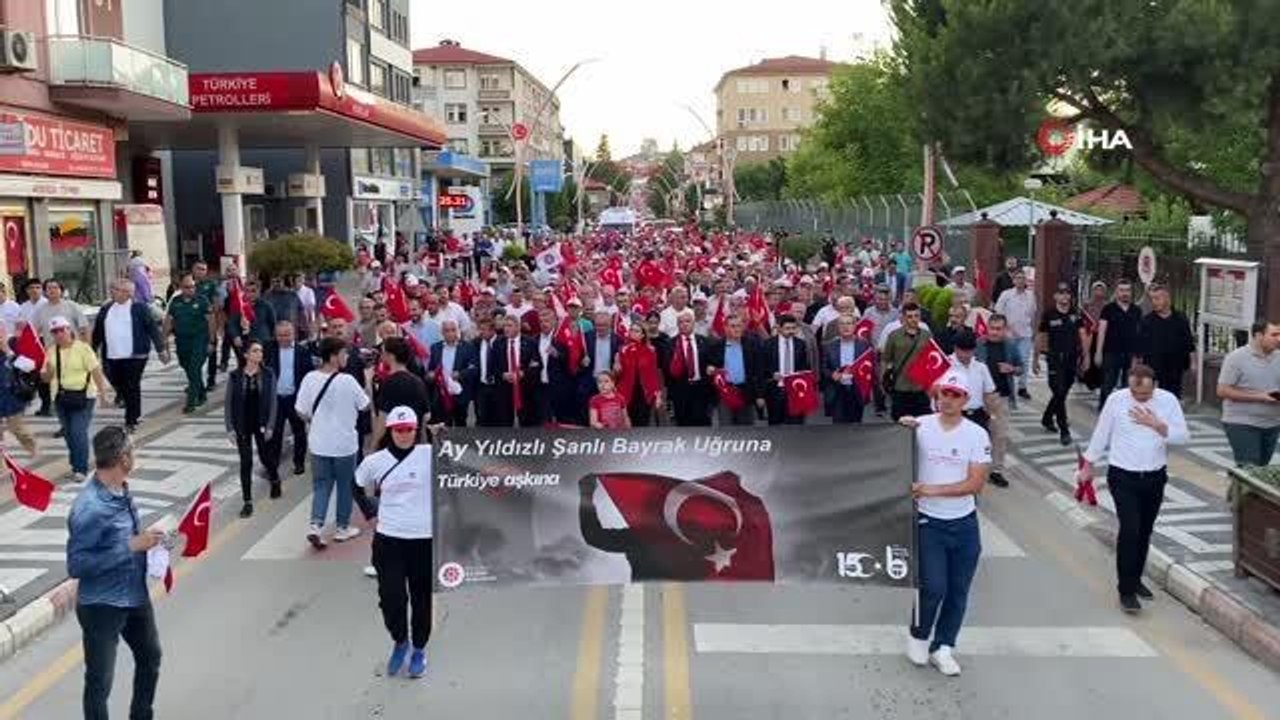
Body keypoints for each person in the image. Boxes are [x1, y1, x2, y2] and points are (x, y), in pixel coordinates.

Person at [67, 426, 163, 720]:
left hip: (134, 595)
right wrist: (131, 545)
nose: (134, 456)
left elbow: (128, 538)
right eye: (132, 451)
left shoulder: (122, 489)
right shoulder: (88, 507)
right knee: (99, 683)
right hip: (102, 605)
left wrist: (151, 541)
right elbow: (77, 565)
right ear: (122, 458)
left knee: (150, 657)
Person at [897, 372, 989, 676]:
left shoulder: (977, 434)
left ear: (965, 400)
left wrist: (932, 489)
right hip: (928, 521)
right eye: (943, 393)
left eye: (955, 394)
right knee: (933, 587)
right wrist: (900, 431)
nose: (947, 399)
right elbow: (894, 451)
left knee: (958, 590)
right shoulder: (920, 426)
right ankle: (918, 634)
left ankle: (944, 646)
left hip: (964, 523)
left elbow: (976, 483)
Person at [1080, 364, 1189, 614]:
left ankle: (1136, 579)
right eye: (1134, 392)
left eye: (1144, 395)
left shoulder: (1168, 401)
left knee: (1144, 531)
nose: (1138, 398)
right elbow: (1101, 434)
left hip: (1154, 476)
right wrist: (1088, 465)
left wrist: (1157, 425)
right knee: (1130, 530)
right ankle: (1126, 590)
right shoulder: (1117, 400)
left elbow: (1183, 437)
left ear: (1155, 386)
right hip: (1122, 476)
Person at [358, 406, 434, 679]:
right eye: (399, 430)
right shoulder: (375, 461)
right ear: (390, 431)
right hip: (389, 539)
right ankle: (400, 640)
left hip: (423, 540)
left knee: (421, 598)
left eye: (410, 430)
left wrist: (442, 438)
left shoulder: (430, 455)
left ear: (417, 430)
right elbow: (356, 483)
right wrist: (370, 513)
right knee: (392, 597)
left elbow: (465, 463)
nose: (405, 435)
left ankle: (419, 650)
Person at [296, 336, 370, 549]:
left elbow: (300, 410)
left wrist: (315, 420)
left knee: (321, 485)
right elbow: (365, 405)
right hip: (345, 444)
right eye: (344, 353)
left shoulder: (310, 378)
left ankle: (315, 525)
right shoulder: (347, 380)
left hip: (319, 442)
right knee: (345, 485)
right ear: (334, 356)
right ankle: (342, 528)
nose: (346, 357)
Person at [93, 279, 169, 433]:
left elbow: (152, 329)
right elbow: (98, 331)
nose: (112, 291)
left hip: (136, 355)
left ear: (127, 293)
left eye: (116, 289)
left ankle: (131, 419)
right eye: (112, 288)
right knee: (116, 381)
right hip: (111, 355)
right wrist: (92, 349)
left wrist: (161, 349)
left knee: (132, 385)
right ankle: (127, 401)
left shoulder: (139, 308)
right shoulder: (106, 308)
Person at [43, 316, 112, 482]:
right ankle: (75, 466)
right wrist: (49, 372)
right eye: (55, 332)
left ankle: (81, 468)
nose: (59, 334)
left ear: (69, 330)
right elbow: (45, 378)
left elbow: (96, 371)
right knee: (68, 433)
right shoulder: (51, 351)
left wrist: (103, 395)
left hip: (84, 397)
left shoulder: (83, 348)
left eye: (62, 330)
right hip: (61, 398)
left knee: (77, 432)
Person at [225, 340, 278, 517]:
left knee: (265, 456)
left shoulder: (268, 374)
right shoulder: (235, 376)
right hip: (242, 424)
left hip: (262, 423)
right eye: (255, 351)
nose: (259, 354)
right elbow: (228, 403)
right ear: (246, 354)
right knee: (245, 462)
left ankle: (275, 479)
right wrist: (230, 427)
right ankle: (247, 501)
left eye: (260, 351)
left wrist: (270, 425)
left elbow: (273, 402)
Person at [1216, 320, 1280, 467]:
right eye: (1274, 334)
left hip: (1272, 423)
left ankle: (1236, 489)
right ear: (1258, 335)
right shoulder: (1236, 358)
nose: (1279, 339)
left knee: (1261, 471)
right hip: (1242, 422)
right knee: (1249, 467)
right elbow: (1222, 390)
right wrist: (1260, 397)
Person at [1036, 283, 1089, 446]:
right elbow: (1041, 336)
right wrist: (1035, 359)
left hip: (1071, 359)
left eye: (1067, 293)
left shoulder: (1076, 314)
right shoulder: (1049, 314)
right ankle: (1064, 429)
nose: (1064, 296)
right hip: (1054, 359)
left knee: (1062, 392)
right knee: (1058, 392)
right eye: (1061, 293)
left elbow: (1083, 335)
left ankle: (1047, 417)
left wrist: (1086, 357)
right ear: (1056, 296)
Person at [976, 314, 1021, 487]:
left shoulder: (1010, 345)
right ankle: (975, 467)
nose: (994, 332)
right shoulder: (979, 344)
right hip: (979, 397)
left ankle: (996, 470)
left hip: (1000, 396)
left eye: (998, 329)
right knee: (979, 434)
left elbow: (1020, 368)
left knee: (1000, 435)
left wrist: (1011, 368)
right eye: (992, 328)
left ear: (1004, 329)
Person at [265, 321, 314, 477]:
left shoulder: (302, 351)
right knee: (275, 432)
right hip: (277, 399)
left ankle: (298, 462)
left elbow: (309, 376)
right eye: (280, 335)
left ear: (293, 334)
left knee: (299, 431)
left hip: (295, 398)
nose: (283, 338)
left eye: (287, 335)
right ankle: (273, 462)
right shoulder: (269, 350)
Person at [164, 273, 215, 413]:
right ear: (181, 288)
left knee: (194, 368)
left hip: (199, 339)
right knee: (186, 366)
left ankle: (191, 402)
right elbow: (168, 321)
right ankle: (202, 393)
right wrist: (164, 340)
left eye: (192, 287)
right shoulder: (175, 302)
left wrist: (212, 341)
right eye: (187, 287)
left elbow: (211, 321)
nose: (190, 290)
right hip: (181, 340)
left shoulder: (202, 300)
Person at [1137, 284, 1194, 399]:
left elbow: (1189, 342)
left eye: (1157, 298)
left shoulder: (1180, 318)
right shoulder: (1147, 321)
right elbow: (1139, 346)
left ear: (1167, 298)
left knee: (1172, 398)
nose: (1154, 302)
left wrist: (1193, 362)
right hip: (1153, 369)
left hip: (1175, 368)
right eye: (1152, 298)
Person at [372, 337, 432, 446]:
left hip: (392, 444)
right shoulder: (418, 382)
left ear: (391, 356)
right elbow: (426, 417)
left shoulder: (387, 383)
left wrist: (374, 444)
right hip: (414, 440)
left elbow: (382, 419)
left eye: (383, 352)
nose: (381, 356)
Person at [882, 303, 934, 420]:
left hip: (921, 389)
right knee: (900, 425)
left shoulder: (927, 336)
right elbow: (885, 360)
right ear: (904, 318)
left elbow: (932, 361)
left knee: (923, 424)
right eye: (910, 316)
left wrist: (931, 385)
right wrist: (883, 382)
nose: (914, 319)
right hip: (900, 388)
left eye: (916, 316)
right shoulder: (894, 336)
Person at [1095, 279, 1142, 409]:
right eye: (1121, 290)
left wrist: (1138, 355)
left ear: (1131, 292)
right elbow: (1102, 331)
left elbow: (1139, 334)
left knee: (1128, 384)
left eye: (1127, 290)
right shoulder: (1108, 309)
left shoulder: (1136, 310)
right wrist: (1098, 352)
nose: (1124, 293)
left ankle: (1124, 410)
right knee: (1108, 383)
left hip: (1130, 353)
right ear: (1116, 292)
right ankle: (1103, 407)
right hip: (1111, 352)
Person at [664, 310, 713, 426]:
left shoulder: (704, 341)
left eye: (688, 321)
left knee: (703, 425)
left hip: (701, 390)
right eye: (681, 322)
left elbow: (711, 362)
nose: (684, 324)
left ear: (693, 323)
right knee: (683, 426)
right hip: (681, 392)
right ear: (677, 325)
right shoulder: (670, 344)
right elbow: (667, 370)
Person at [707, 315, 759, 426]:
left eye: (739, 326)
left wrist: (759, 395)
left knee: (747, 430)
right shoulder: (716, 346)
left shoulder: (752, 344)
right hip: (725, 393)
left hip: (746, 392)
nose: (736, 329)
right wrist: (710, 369)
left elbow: (758, 371)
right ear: (725, 328)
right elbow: (709, 366)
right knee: (727, 429)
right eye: (733, 326)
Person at [993, 269, 1036, 400]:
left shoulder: (1031, 295)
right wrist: (1007, 328)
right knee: (1008, 361)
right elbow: (998, 312)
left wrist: (1032, 330)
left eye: (1022, 278)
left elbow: (1032, 314)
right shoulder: (1006, 295)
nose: (1020, 280)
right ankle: (1007, 386)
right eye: (1017, 278)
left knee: (1023, 360)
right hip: (1008, 334)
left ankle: (1022, 387)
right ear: (1013, 280)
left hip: (1025, 334)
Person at [489, 314, 538, 427]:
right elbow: (492, 366)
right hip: (504, 388)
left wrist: (523, 373)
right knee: (504, 421)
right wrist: (502, 375)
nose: (506, 328)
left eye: (510, 326)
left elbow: (536, 365)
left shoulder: (530, 342)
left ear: (518, 327)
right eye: (505, 326)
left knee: (526, 421)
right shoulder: (498, 343)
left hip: (524, 387)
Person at [760, 314, 810, 425]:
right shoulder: (768, 344)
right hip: (775, 390)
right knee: (775, 424)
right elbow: (762, 367)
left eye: (793, 328)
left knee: (797, 424)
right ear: (779, 328)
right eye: (787, 328)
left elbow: (805, 367)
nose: (791, 331)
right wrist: (772, 375)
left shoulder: (800, 344)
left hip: (795, 391)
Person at [824, 314, 874, 424]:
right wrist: (832, 374)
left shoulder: (864, 345)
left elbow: (871, 367)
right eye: (842, 324)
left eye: (849, 323)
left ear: (855, 326)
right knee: (838, 426)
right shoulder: (829, 346)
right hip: (837, 390)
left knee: (856, 424)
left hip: (857, 389)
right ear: (838, 327)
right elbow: (823, 368)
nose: (846, 327)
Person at [615, 321, 664, 427]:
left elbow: (654, 374)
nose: (633, 333)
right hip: (626, 392)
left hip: (644, 392)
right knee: (627, 423)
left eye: (636, 331)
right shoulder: (622, 350)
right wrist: (616, 365)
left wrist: (658, 394)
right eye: (631, 330)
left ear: (643, 335)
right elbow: (617, 374)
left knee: (642, 422)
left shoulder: (651, 350)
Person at [427, 319, 475, 427]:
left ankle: (460, 443)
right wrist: (430, 375)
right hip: (442, 394)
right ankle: (446, 443)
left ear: (458, 331)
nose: (450, 333)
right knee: (444, 424)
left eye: (453, 330)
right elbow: (431, 368)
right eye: (447, 330)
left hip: (460, 392)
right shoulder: (435, 348)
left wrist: (460, 374)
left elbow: (473, 369)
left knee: (460, 423)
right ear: (442, 333)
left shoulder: (467, 347)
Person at [0, 327, 37, 456]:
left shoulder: (14, 345)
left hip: (12, 397)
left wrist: (9, 352)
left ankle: (31, 447)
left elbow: (30, 366)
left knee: (17, 428)